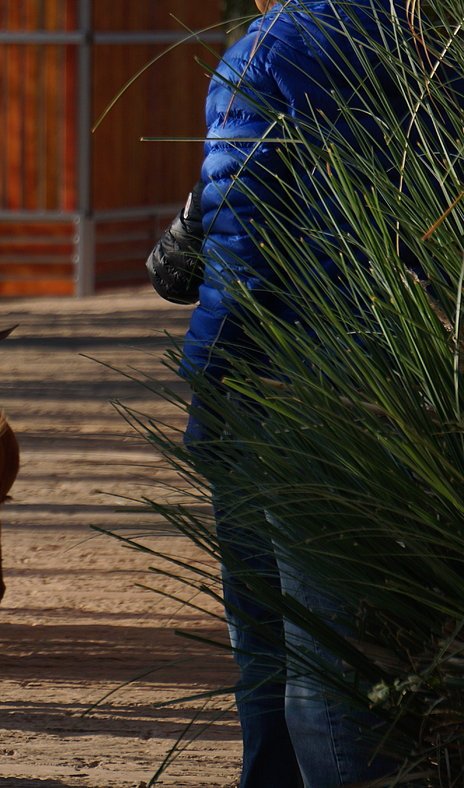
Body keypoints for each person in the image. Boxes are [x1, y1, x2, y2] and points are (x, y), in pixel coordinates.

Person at [180, 1, 408, 786]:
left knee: (301, 664)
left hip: (294, 401)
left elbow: (242, 264)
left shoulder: (269, 51)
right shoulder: (429, 39)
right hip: (416, 394)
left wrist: (207, 397)